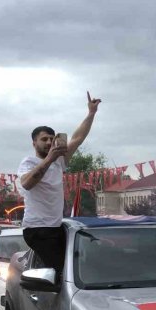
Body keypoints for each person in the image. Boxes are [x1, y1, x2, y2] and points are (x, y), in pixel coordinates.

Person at [17, 92, 101, 277]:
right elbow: (28, 184)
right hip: (37, 229)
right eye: (44, 139)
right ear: (34, 143)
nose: (49, 142)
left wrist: (91, 113)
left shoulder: (59, 160)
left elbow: (78, 138)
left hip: (55, 227)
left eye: (51, 139)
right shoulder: (29, 162)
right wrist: (49, 158)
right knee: (62, 273)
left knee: (80, 262)